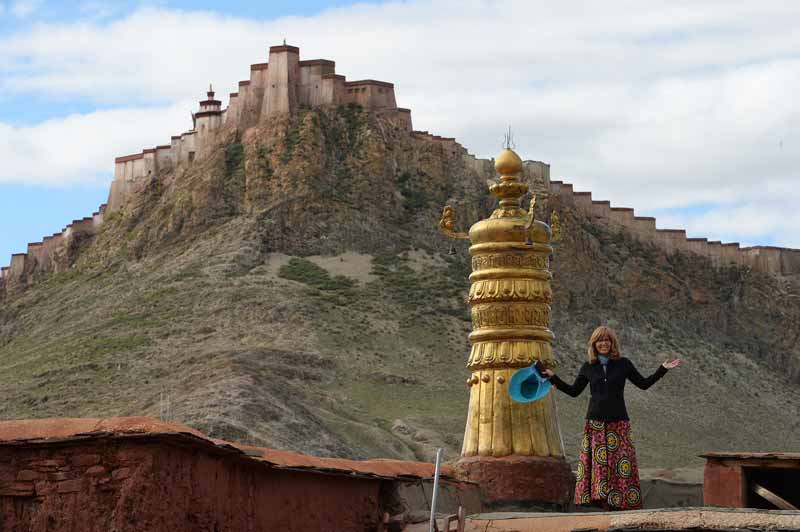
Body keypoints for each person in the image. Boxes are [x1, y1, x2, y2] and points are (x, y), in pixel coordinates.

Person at [541, 326, 680, 511]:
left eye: (607, 340)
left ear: (612, 343)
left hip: (619, 423)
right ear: (594, 344)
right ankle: (602, 504)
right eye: (600, 340)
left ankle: (621, 504)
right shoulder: (588, 367)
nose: (604, 343)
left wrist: (662, 369)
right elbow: (574, 392)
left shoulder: (624, 364)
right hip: (595, 424)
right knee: (599, 466)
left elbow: (644, 384)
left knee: (620, 465)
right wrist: (553, 378)